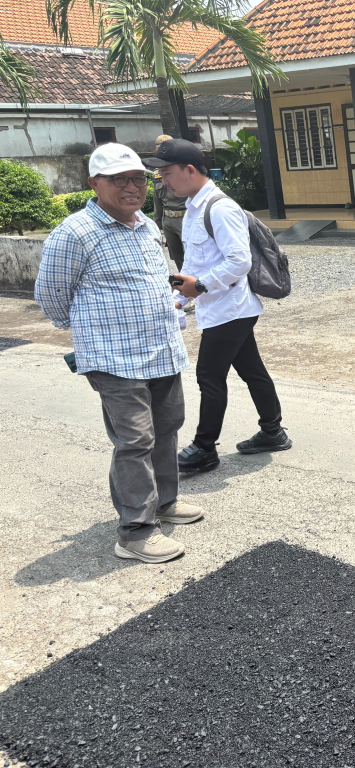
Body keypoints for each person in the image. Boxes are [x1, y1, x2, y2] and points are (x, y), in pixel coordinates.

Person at [35, 143, 204, 564]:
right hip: (114, 358)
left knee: (167, 428)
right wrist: (91, 334)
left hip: (161, 349)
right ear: (95, 184)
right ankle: (135, 531)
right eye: (119, 180)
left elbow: (156, 278)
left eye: (139, 179)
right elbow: (51, 294)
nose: (133, 188)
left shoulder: (144, 225)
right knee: (135, 440)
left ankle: (164, 502)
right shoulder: (75, 233)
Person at [143, 139, 292, 474]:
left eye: (167, 173)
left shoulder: (219, 208)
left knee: (209, 377)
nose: (163, 181)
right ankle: (273, 432)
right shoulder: (196, 206)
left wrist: (202, 286)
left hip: (230, 309)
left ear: (190, 170)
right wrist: (181, 297)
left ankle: (204, 448)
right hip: (223, 308)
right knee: (252, 370)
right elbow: (197, 262)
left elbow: (239, 261)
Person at [152, 134, 189, 274]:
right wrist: (158, 227)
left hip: (184, 218)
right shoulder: (156, 174)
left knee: (192, 256)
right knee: (176, 257)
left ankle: (199, 288)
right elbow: (158, 203)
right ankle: (186, 290)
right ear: (156, 152)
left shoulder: (184, 171)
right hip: (168, 221)